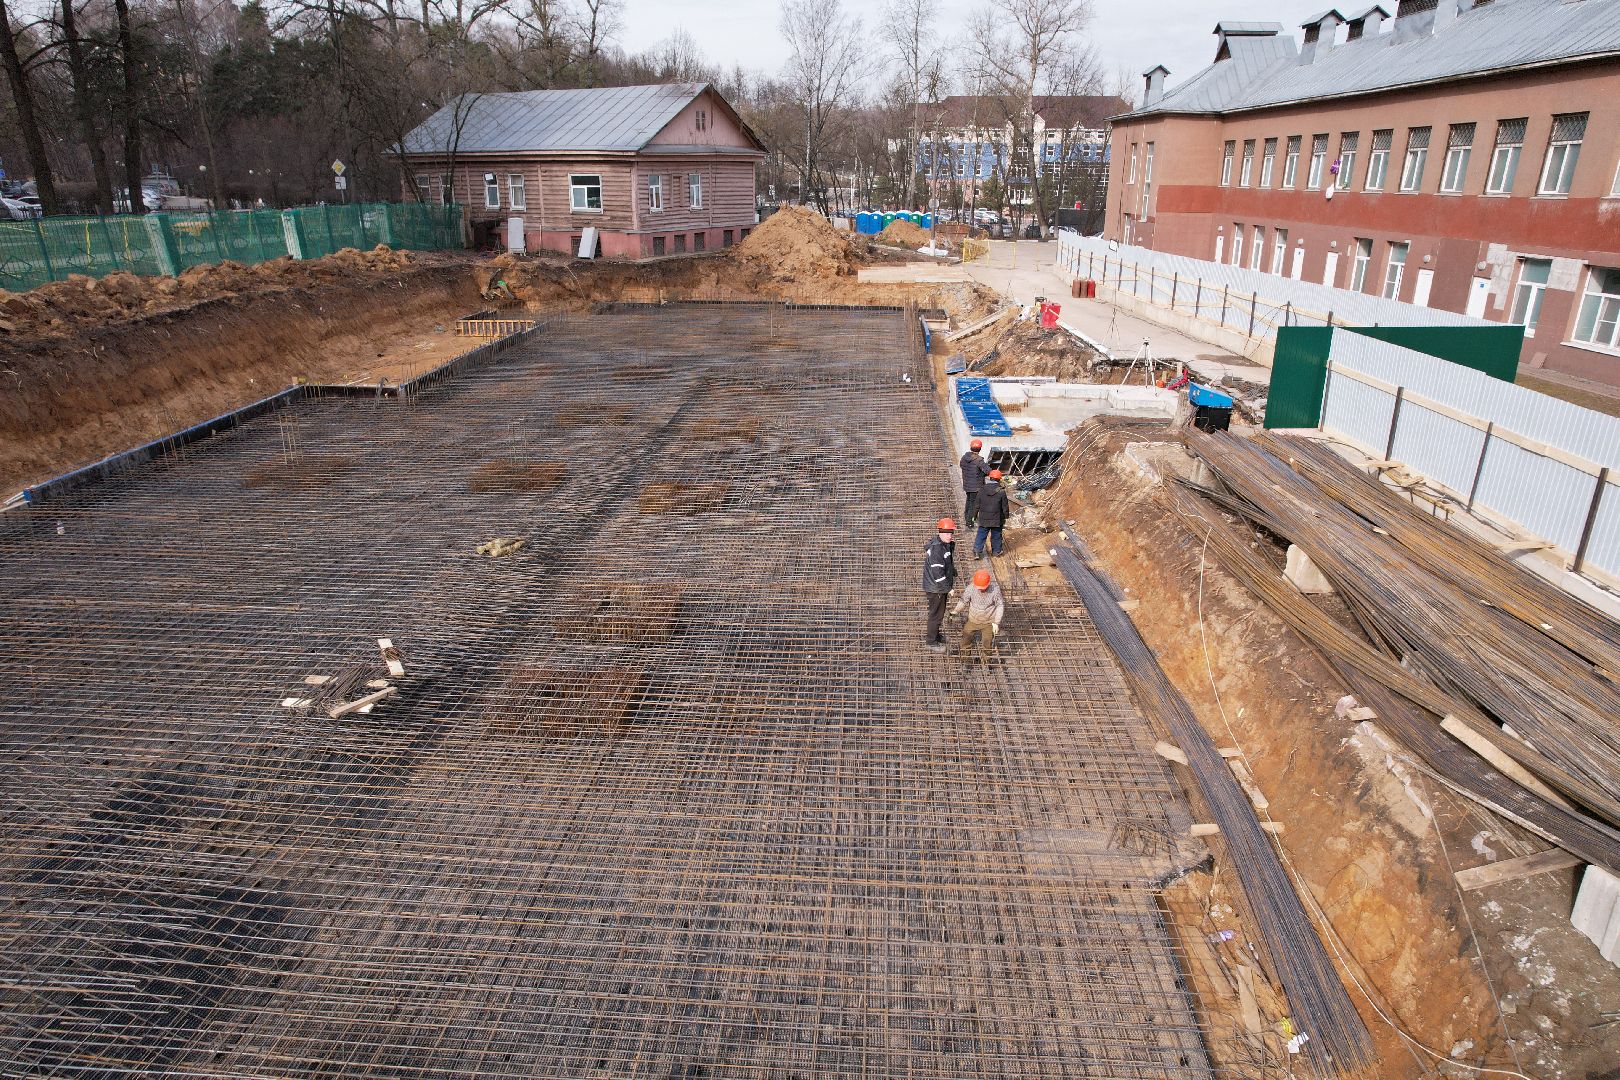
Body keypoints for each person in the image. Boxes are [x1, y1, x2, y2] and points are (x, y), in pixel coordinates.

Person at [953, 568, 1004, 664]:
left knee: (987, 643)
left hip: (988, 622)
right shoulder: (971, 588)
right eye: (978, 587)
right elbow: (963, 601)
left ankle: (986, 661)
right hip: (973, 621)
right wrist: (956, 611)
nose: (980, 589)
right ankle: (965, 659)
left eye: (982, 587)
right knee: (965, 639)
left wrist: (997, 623)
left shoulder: (995, 590)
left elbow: (1000, 606)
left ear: (988, 584)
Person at [922, 518, 957, 651]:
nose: (950, 536)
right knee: (936, 615)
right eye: (947, 533)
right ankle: (931, 641)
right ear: (940, 533)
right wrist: (948, 588)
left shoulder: (944, 544)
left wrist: (951, 570)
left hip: (939, 587)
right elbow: (938, 574)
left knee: (939, 614)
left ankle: (936, 635)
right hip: (936, 588)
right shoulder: (937, 549)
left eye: (951, 533)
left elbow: (946, 562)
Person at [974, 469, 1009, 558]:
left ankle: (977, 551)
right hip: (996, 519)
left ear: (990, 478)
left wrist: (973, 516)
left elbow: (976, 505)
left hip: (984, 518)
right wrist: (1006, 516)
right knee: (996, 535)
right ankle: (996, 552)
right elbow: (1004, 506)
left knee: (981, 534)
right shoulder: (1001, 491)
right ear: (999, 479)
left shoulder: (982, 490)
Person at [959, 439, 989, 526]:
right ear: (980, 449)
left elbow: (962, 466)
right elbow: (987, 471)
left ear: (971, 447)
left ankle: (966, 517)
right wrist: (982, 474)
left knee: (969, 501)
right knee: (973, 504)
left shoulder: (964, 458)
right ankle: (969, 522)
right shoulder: (979, 460)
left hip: (967, 484)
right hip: (976, 487)